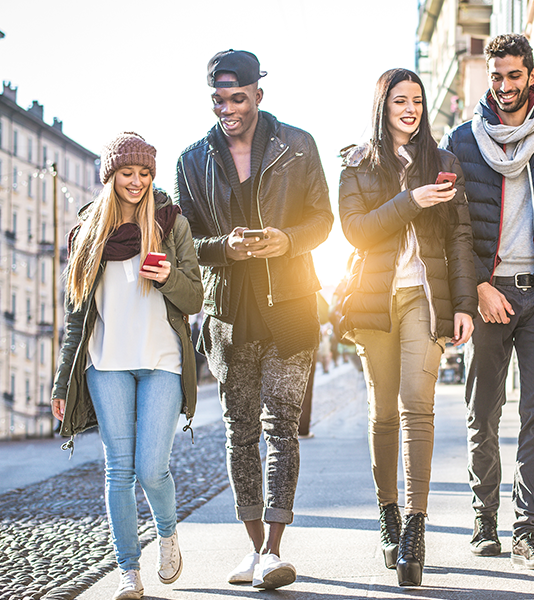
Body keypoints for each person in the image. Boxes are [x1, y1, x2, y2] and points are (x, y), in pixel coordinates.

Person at [174, 49, 333, 590]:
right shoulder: (192, 160)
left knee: (281, 428)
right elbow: (186, 243)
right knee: (240, 434)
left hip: (289, 309)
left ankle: (273, 548)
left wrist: (287, 240)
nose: (228, 109)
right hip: (226, 317)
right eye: (219, 100)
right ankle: (251, 547)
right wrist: (226, 249)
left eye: (237, 98)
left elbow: (324, 221)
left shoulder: (298, 145)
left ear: (258, 96)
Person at [440, 33, 534, 569]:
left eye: (513, 76)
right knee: (482, 412)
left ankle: (528, 530)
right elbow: (451, 225)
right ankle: (484, 521)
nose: (504, 87)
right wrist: (478, 285)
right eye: (496, 76)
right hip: (487, 297)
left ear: (532, 75)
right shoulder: (462, 140)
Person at [338, 68, 477, 587]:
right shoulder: (356, 164)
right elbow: (356, 232)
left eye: (417, 100)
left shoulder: (444, 163)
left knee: (418, 405)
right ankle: (388, 515)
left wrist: (463, 303)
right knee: (382, 413)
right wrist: (411, 201)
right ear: (383, 106)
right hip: (375, 300)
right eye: (401, 100)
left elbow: (460, 238)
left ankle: (416, 527)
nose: (412, 108)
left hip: (425, 296)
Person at [51, 132, 203, 600]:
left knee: (152, 468)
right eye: (126, 173)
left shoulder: (170, 223)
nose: (136, 182)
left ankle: (167, 532)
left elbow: (196, 297)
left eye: (143, 174)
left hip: (161, 362)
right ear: (111, 177)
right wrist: (61, 382)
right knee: (119, 470)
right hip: (106, 364)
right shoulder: (86, 234)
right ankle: (128, 571)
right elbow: (76, 317)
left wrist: (167, 278)